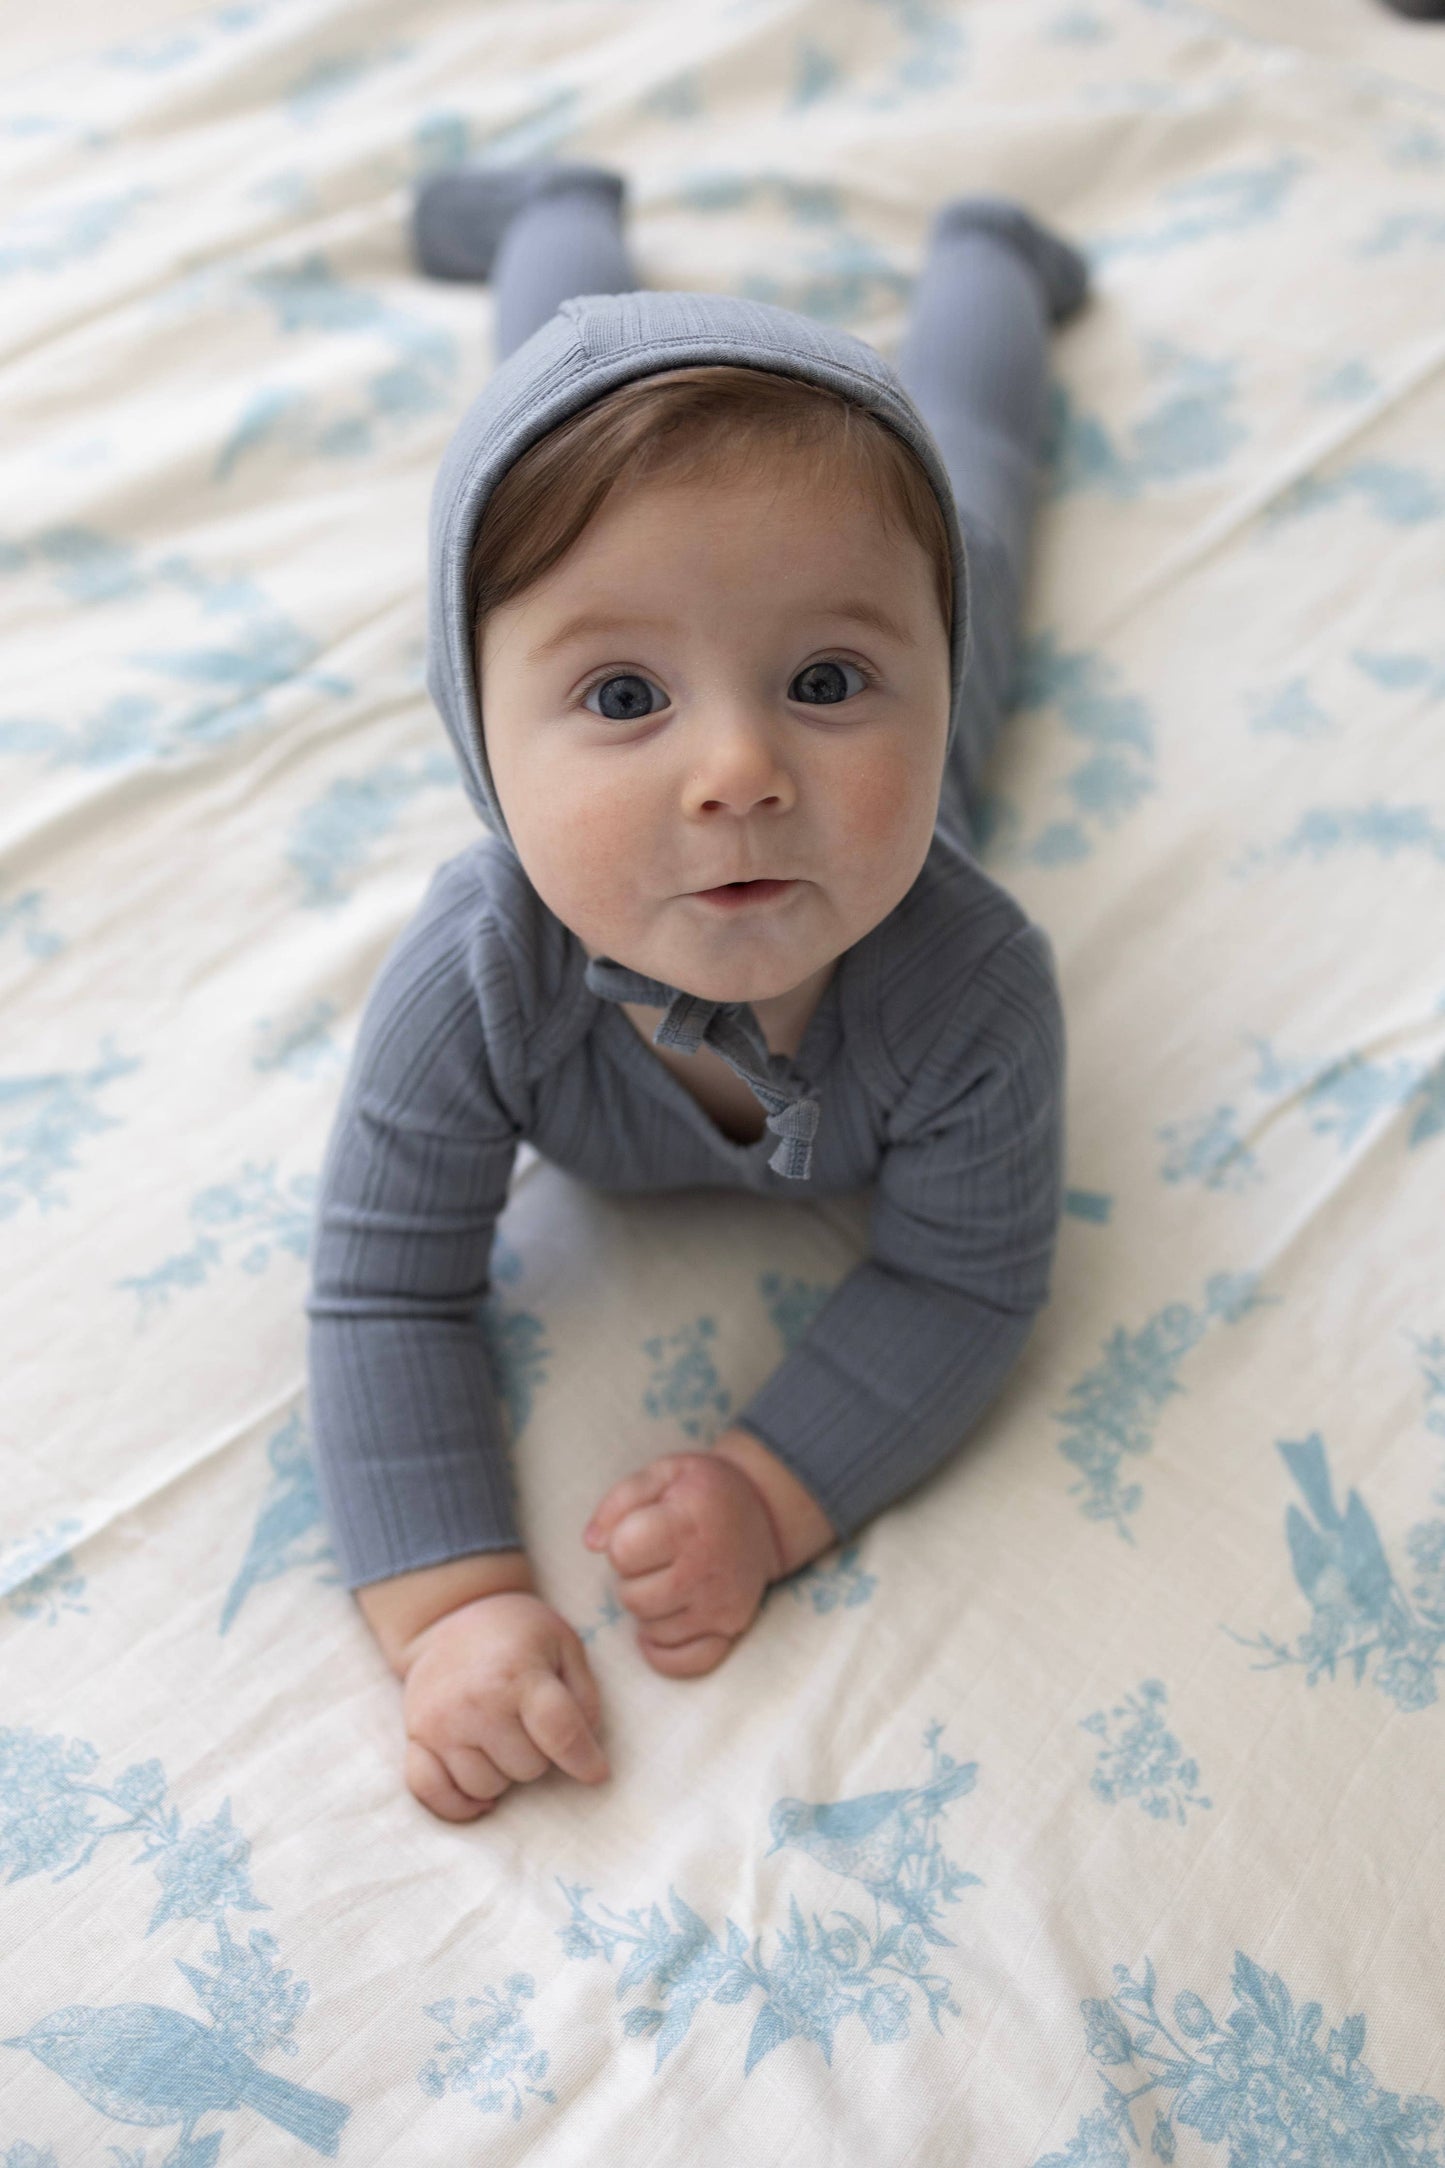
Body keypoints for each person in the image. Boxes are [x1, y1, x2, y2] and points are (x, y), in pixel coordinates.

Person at [304, 161, 1091, 1822]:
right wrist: (451, 1606)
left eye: (825, 681)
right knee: (542, 397)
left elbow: (962, 1288)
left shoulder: (973, 992)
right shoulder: (476, 973)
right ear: (479, 741)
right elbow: (385, 1295)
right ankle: (549, 218)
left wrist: (768, 1484)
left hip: (952, 536)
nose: (738, 770)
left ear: (928, 689)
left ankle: (987, 247)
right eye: (619, 692)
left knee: (981, 477)